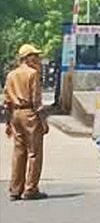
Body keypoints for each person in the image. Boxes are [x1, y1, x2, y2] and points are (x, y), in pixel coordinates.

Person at [3, 43, 49, 201]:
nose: (37, 58)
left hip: (15, 113)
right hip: (30, 113)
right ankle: (30, 189)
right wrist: (43, 121)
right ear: (26, 58)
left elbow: (7, 100)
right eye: (34, 56)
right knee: (34, 152)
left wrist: (8, 122)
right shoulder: (33, 74)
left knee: (18, 152)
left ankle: (15, 189)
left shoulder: (11, 75)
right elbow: (36, 99)